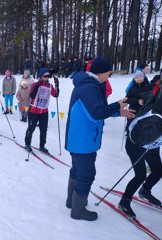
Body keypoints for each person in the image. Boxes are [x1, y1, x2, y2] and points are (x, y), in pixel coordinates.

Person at [65, 56, 135, 221]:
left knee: (77, 171)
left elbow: (97, 109)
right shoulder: (89, 88)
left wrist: (119, 112)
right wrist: (118, 105)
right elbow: (97, 114)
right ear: (101, 73)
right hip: (83, 140)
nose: (108, 77)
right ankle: (78, 210)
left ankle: (72, 201)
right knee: (86, 174)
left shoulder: (89, 85)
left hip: (80, 139)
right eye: (108, 74)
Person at [118, 71, 162, 219]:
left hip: (151, 143)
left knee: (158, 170)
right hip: (136, 142)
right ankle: (125, 201)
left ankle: (145, 191)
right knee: (141, 174)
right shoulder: (156, 116)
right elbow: (142, 134)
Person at [24, 68, 59, 153]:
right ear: (41, 76)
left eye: (48, 76)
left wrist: (57, 84)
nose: (47, 78)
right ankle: (27, 144)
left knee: (43, 129)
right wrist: (37, 85)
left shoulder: (50, 86)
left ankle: (42, 145)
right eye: (45, 76)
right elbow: (31, 95)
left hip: (44, 112)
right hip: (34, 110)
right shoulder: (36, 84)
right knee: (31, 128)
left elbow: (56, 95)